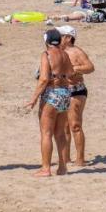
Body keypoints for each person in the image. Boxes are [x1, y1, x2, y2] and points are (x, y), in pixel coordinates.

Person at [24, 28, 75, 177]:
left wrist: (33, 99)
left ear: (46, 41)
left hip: (52, 94)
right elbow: (71, 73)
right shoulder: (65, 54)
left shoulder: (46, 54)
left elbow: (44, 78)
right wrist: (61, 76)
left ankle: (46, 168)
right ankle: (62, 167)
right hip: (65, 94)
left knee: (46, 133)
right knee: (60, 133)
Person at [58, 26, 95, 167]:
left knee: (75, 125)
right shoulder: (58, 51)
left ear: (68, 37)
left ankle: (80, 159)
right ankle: (65, 158)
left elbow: (90, 67)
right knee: (64, 126)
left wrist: (75, 69)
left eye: (61, 35)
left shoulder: (76, 51)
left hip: (76, 90)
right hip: (63, 91)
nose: (58, 38)